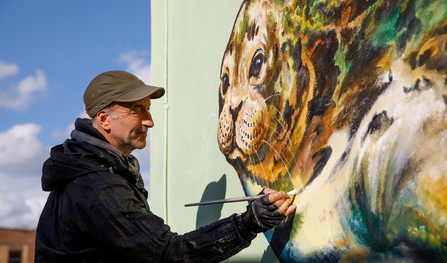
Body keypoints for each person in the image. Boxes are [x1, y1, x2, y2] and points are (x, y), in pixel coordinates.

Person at [35, 70, 296, 263]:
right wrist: (249, 223)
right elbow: (168, 255)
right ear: (104, 120)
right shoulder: (97, 184)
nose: (149, 121)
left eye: (148, 109)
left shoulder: (93, 168)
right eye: (138, 110)